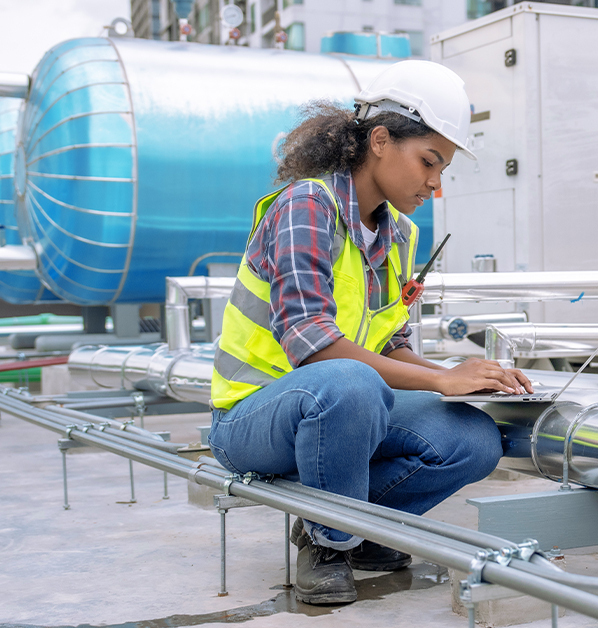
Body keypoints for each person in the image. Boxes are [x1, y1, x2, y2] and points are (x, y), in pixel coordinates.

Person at [207, 60, 532, 605]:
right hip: (253, 416)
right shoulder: (307, 207)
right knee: (349, 384)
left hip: (342, 402)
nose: (434, 182)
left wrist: (461, 377)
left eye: (444, 169)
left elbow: (390, 342)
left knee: (473, 440)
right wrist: (439, 383)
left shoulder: (399, 234)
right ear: (380, 140)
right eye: (429, 162)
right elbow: (312, 346)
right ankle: (328, 541)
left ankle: (362, 527)